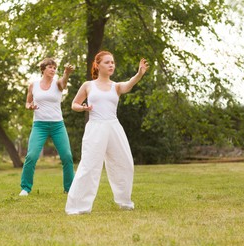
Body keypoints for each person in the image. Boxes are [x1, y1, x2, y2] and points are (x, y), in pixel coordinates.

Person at [65, 51, 149, 214]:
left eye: (112, 62)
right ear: (98, 65)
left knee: (125, 163)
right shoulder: (88, 85)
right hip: (95, 127)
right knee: (89, 166)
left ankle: (125, 202)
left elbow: (128, 85)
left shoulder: (116, 86)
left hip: (114, 127)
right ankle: (78, 207)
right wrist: (83, 108)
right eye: (107, 62)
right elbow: (74, 104)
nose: (111, 65)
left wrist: (139, 74)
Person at [19, 58, 75, 196]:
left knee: (67, 156)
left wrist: (66, 73)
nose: (53, 69)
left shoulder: (58, 84)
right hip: (39, 125)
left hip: (57, 125)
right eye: (50, 67)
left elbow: (64, 82)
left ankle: (69, 189)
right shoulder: (33, 85)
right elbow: (27, 102)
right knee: (31, 156)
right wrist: (30, 106)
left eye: (55, 68)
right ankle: (25, 188)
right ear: (43, 69)